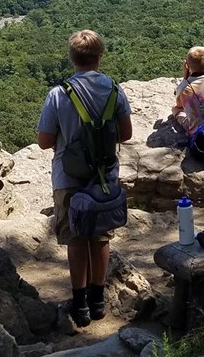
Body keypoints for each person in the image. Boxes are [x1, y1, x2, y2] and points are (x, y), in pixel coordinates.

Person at [37, 30, 133, 327]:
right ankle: (98, 299)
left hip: (69, 176)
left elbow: (44, 140)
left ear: (72, 58)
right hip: (105, 176)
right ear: (99, 56)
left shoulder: (58, 93)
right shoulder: (114, 90)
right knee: (100, 236)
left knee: (76, 239)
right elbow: (126, 133)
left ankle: (79, 304)